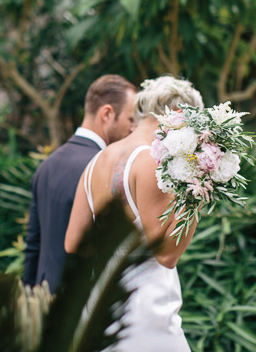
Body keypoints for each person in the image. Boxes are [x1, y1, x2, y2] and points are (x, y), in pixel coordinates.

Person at [64, 76, 204, 352]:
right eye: (193, 125)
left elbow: (72, 244)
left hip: (101, 311)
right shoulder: (150, 160)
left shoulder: (96, 162)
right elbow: (166, 254)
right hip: (144, 314)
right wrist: (199, 185)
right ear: (178, 115)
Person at [23, 74, 137, 293]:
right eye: (130, 120)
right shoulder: (102, 169)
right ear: (107, 113)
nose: (132, 129)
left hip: (44, 301)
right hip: (78, 305)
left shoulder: (46, 167)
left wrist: (29, 307)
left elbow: (33, 246)